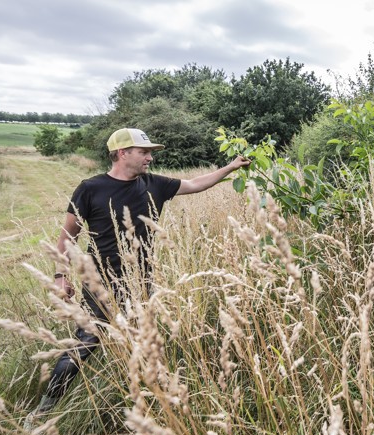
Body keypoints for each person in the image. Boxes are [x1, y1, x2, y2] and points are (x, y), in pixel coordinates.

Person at [30, 128, 250, 417]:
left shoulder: (154, 184)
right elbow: (67, 236)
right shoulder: (90, 188)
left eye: (150, 153)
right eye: (143, 152)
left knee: (144, 344)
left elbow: (196, 183)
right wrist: (61, 275)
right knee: (85, 344)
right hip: (100, 283)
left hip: (142, 283)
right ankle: (45, 409)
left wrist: (231, 167)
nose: (149, 157)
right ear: (122, 153)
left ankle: (144, 409)